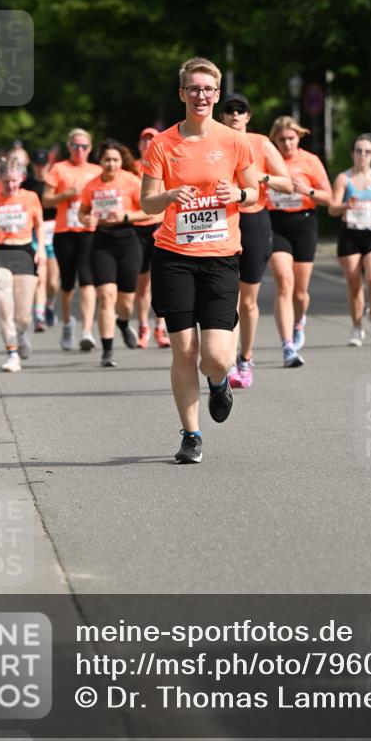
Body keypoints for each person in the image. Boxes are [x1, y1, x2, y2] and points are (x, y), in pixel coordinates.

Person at [140, 56, 259, 465]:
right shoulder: (162, 144)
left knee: (216, 355)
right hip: (173, 254)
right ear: (182, 94)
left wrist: (237, 196)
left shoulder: (234, 140)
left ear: (217, 94)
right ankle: (191, 434)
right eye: (193, 88)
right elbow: (145, 200)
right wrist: (170, 196)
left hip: (221, 257)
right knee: (183, 349)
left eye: (207, 89)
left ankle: (220, 380)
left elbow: (254, 192)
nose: (201, 95)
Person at [219, 92, 292, 388]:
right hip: (221, 222)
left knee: (247, 300)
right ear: (221, 115)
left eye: (241, 110)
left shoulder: (261, 143)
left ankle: (245, 360)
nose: (235, 114)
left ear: (248, 116)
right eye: (229, 110)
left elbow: (287, 183)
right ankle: (223, 361)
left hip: (253, 221)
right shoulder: (213, 142)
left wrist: (260, 177)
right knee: (226, 298)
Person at [267, 116, 332, 367]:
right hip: (275, 222)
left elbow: (330, 198)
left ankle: (298, 321)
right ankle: (287, 347)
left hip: (304, 223)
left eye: (290, 139)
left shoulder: (310, 161)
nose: (286, 144)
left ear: (299, 137)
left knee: (301, 293)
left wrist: (307, 191)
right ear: (274, 140)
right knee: (284, 282)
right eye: (281, 139)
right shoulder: (268, 160)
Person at [79, 139, 147, 366]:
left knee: (126, 301)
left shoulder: (131, 181)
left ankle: (124, 322)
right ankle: (107, 350)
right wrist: (86, 219)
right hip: (102, 242)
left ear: (121, 161)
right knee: (106, 296)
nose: (111, 164)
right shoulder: (91, 186)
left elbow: (149, 211)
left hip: (128, 240)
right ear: (100, 161)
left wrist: (126, 216)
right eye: (107, 159)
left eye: (115, 160)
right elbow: (82, 213)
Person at [0, 157, 45, 372]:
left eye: (14, 181)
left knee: (23, 316)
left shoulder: (31, 198)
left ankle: (22, 333)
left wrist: (40, 248)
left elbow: (39, 226)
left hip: (24, 253)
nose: (11, 185)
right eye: (6, 181)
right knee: (4, 307)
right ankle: (12, 354)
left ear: (21, 178)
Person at [329, 134, 371, 346]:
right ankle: (357, 328)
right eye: (359, 151)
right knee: (355, 284)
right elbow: (332, 208)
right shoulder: (344, 179)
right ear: (352, 154)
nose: (362, 155)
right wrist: (347, 205)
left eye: (367, 151)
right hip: (350, 234)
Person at [42, 129, 101, 352]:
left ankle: (86, 330)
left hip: (89, 230)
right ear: (69, 147)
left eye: (84, 146)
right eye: (75, 146)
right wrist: (66, 194)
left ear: (90, 148)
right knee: (66, 283)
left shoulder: (97, 171)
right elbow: (46, 201)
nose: (79, 150)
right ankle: (67, 324)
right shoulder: (59, 168)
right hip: (64, 231)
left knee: (87, 280)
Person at [133, 127, 170, 349]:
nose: (148, 144)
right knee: (142, 283)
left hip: (161, 225)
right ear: (139, 145)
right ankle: (143, 326)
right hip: (138, 228)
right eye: (145, 140)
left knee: (161, 281)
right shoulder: (132, 168)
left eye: (152, 140)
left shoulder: (166, 164)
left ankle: (160, 327)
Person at [22, 148, 60, 331]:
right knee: (40, 276)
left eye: (43, 164)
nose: (40, 168)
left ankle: (50, 304)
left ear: (48, 165)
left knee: (53, 282)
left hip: (54, 230)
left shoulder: (53, 183)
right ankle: (39, 316)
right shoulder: (26, 184)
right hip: (34, 232)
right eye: (37, 165)